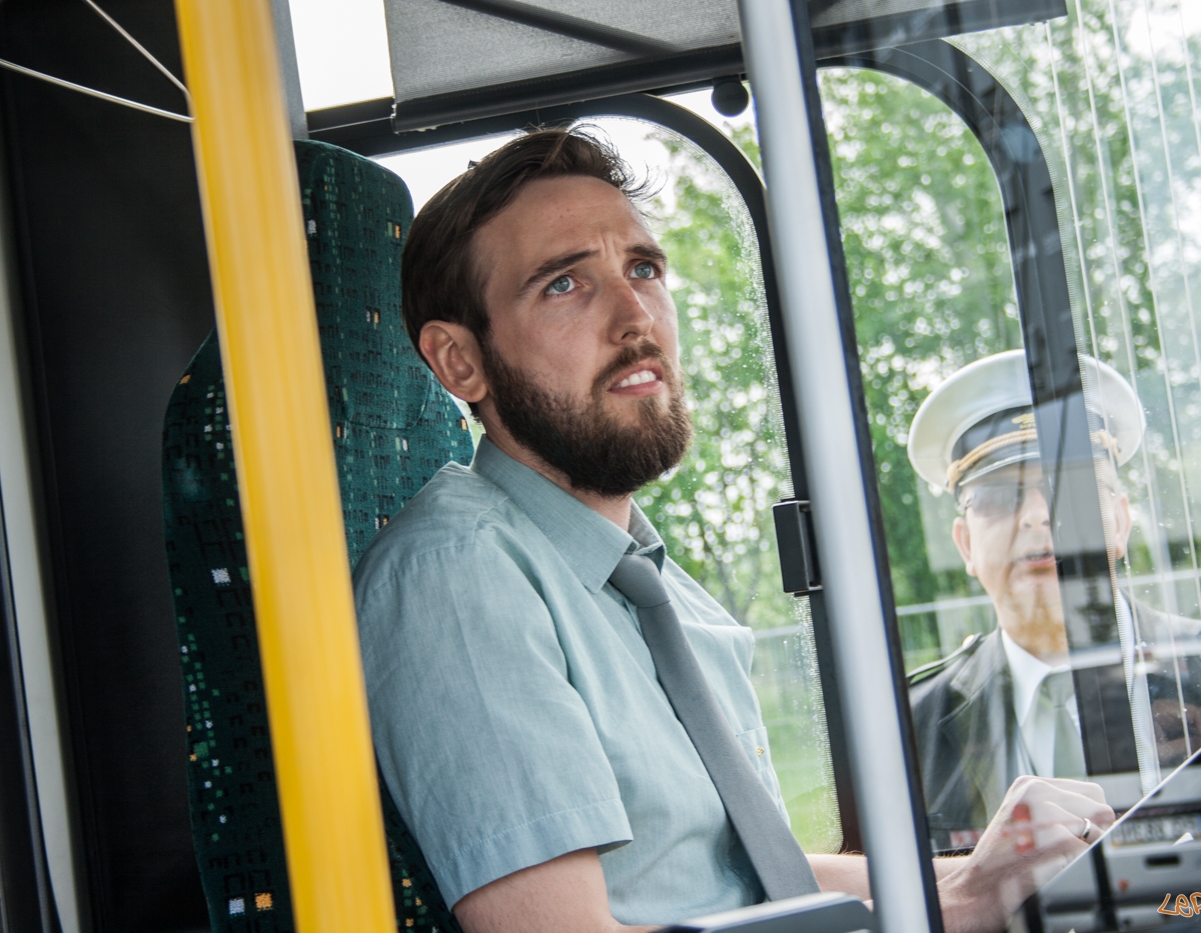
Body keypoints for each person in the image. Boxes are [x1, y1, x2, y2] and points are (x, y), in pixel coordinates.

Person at [352, 128, 1114, 933]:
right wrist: (952, 908)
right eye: (565, 284)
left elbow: (745, 874)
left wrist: (982, 871)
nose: (636, 316)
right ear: (460, 362)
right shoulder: (459, 575)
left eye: (643, 269)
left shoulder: (652, 583)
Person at [905, 350, 1201, 853]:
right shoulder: (910, 729)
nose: (1039, 516)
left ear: (1120, 523)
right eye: (998, 497)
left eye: (1071, 489)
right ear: (965, 545)